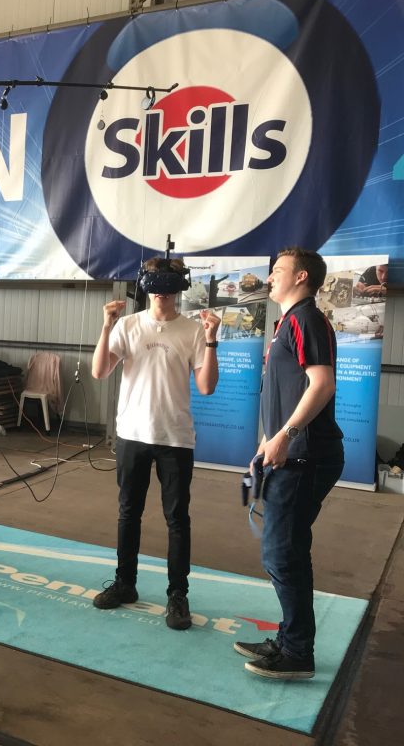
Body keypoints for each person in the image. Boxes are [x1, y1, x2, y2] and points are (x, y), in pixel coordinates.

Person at [91, 257, 220, 630]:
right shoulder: (129, 325)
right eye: (157, 283)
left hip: (175, 438)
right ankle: (125, 584)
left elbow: (207, 386)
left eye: (169, 283)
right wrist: (107, 327)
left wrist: (212, 340)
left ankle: (177, 596)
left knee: (177, 519)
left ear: (179, 287)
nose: (163, 291)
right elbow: (100, 372)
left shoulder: (194, 330)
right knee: (128, 512)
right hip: (132, 433)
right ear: (146, 285)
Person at [234, 247, 343, 680]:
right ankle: (289, 639)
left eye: (277, 270)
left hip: (307, 458)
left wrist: (286, 436)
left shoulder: (306, 319)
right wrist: (266, 442)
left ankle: (298, 653)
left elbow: (322, 384)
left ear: (301, 277)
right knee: (286, 551)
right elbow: (285, 392)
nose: (270, 276)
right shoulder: (287, 323)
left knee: (282, 553)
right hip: (288, 453)